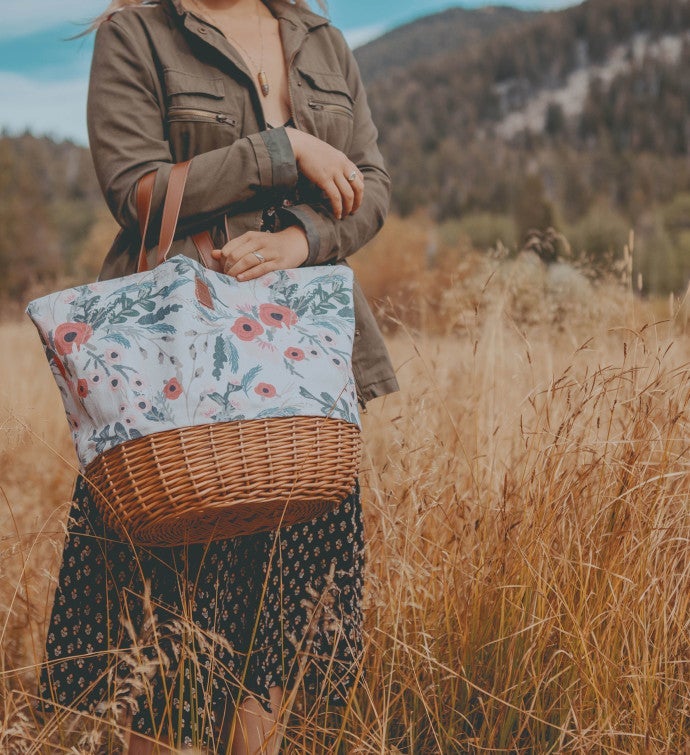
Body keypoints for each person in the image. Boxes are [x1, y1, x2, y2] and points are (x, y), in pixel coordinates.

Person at [38, 0, 399, 752]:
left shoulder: (320, 39)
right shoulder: (136, 36)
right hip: (178, 388)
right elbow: (136, 191)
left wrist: (304, 240)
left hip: (302, 381)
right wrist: (281, 150)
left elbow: (373, 185)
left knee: (266, 652)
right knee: (167, 649)